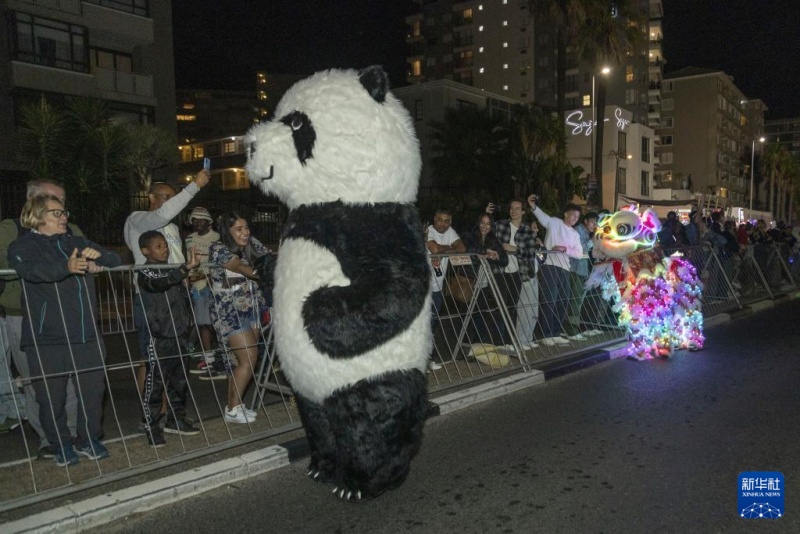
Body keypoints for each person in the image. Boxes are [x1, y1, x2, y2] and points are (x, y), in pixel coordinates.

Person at [8, 195, 121, 466]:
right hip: (46, 339)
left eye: (64, 212)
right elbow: (33, 270)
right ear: (37, 216)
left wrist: (99, 257)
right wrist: (66, 267)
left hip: (86, 336)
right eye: (56, 213)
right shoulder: (22, 246)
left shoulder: (76, 241)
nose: (64, 218)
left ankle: (88, 439)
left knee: (93, 393)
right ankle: (60, 444)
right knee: (51, 398)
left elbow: (115, 259)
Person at [0, 179, 81, 457]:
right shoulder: (10, 230)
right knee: (36, 382)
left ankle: (69, 433)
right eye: (51, 200)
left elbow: (87, 253)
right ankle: (49, 438)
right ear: (32, 201)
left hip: (65, 314)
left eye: (62, 202)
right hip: (23, 316)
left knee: (69, 379)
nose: (60, 209)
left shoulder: (71, 229)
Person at [124, 170, 209, 425]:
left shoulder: (170, 228)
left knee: (176, 359)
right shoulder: (138, 219)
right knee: (150, 358)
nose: (171, 202)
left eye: (174, 198)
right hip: (151, 299)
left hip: (176, 298)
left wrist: (187, 278)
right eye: (166, 197)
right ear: (151, 197)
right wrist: (193, 186)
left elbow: (177, 260)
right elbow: (161, 214)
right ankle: (152, 415)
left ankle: (173, 413)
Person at [137, 231, 202, 447]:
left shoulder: (172, 272)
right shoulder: (145, 271)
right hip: (160, 338)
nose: (164, 249)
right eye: (158, 246)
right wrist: (184, 270)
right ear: (145, 250)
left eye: (165, 245)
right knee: (155, 385)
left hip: (179, 336)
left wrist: (188, 327)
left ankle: (176, 421)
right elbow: (159, 283)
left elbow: (182, 300)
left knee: (179, 383)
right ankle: (151, 426)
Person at [208, 212, 271, 423]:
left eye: (246, 227)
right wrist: (262, 271)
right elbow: (238, 267)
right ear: (227, 231)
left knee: (240, 361)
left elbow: (270, 257)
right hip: (229, 312)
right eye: (239, 229)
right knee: (249, 358)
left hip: (251, 310)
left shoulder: (251, 243)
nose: (245, 232)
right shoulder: (218, 248)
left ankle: (235, 406)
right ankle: (232, 409)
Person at [529, 195, 583, 346]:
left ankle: (555, 332)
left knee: (563, 300)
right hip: (549, 266)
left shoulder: (575, 234)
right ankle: (544, 334)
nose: (574, 218)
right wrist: (533, 206)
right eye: (573, 214)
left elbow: (579, 254)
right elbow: (542, 217)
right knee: (549, 299)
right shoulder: (554, 223)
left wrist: (564, 249)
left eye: (577, 217)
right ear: (566, 213)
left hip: (565, 268)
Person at [486, 199, 539, 343]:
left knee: (512, 308)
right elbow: (485, 234)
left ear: (523, 211)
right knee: (500, 308)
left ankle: (509, 343)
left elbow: (531, 254)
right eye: (511, 208)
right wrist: (487, 216)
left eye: (517, 208)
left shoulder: (528, 231)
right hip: (500, 272)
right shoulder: (500, 225)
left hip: (518, 273)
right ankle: (498, 343)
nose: (514, 211)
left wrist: (514, 249)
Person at [460, 213, 508, 346]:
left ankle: (477, 345)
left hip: (484, 282)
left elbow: (505, 260)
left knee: (480, 314)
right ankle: (463, 346)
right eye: (482, 223)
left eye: (488, 224)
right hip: (469, 280)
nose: (484, 226)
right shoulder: (469, 236)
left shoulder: (493, 239)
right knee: (466, 316)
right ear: (478, 223)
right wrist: (485, 251)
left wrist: (496, 256)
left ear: (491, 226)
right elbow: (466, 250)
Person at [426, 208, 465, 370]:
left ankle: (428, 359)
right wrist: (449, 247)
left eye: (446, 221)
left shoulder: (450, 231)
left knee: (432, 326)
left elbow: (462, 248)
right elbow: (433, 249)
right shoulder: (427, 231)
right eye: (440, 220)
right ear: (434, 218)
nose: (443, 224)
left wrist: (445, 249)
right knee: (422, 327)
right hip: (424, 288)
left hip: (437, 288)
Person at [184, 207, 220, 363]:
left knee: (216, 321)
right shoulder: (189, 239)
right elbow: (189, 263)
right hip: (197, 286)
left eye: (201, 220)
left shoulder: (217, 237)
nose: (197, 222)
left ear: (209, 222)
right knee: (202, 322)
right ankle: (208, 355)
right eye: (195, 220)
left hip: (215, 285)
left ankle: (223, 350)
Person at [564, 212, 598, 340]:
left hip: (582, 270)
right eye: (592, 222)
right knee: (575, 300)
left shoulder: (587, 233)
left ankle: (571, 328)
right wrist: (591, 241)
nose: (594, 225)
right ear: (585, 221)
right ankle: (571, 330)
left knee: (576, 300)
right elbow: (579, 249)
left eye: (596, 223)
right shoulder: (578, 230)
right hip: (576, 269)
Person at [514, 218, 545, 350]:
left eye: (536, 228)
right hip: (526, 277)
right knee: (524, 310)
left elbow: (542, 260)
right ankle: (521, 340)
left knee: (533, 310)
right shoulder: (524, 242)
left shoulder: (535, 244)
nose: (536, 230)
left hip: (534, 278)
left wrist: (541, 246)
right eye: (533, 227)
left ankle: (529, 337)